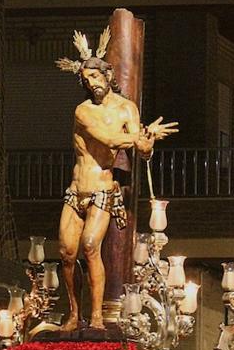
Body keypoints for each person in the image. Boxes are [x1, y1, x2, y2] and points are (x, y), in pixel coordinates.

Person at [56, 28, 177, 331]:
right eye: (86, 80)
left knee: (90, 246)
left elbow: (142, 151)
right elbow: (109, 138)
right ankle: (74, 313)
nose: (91, 83)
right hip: (76, 190)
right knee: (66, 253)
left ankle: (97, 315)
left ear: (107, 75)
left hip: (101, 189)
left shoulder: (127, 109)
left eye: (94, 77)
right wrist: (138, 137)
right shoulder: (83, 111)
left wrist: (147, 141)